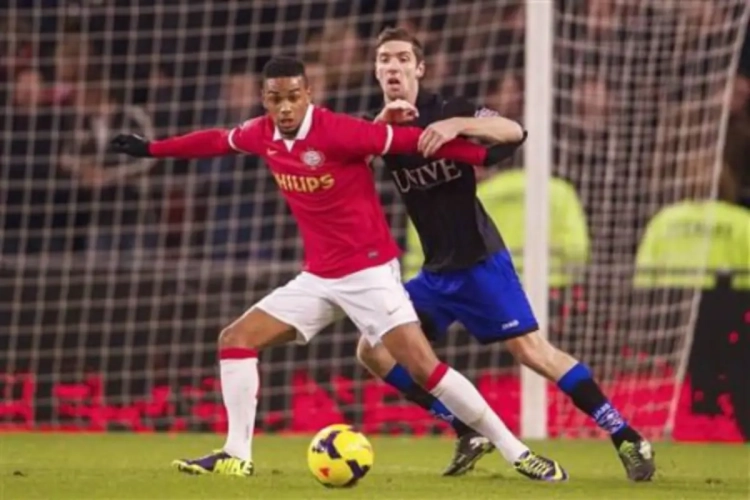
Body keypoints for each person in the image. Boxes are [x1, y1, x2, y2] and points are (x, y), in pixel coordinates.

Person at [110, 56, 567, 481]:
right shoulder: (261, 133)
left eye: (293, 96)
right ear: (264, 99)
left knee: (424, 368)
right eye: (275, 98)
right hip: (319, 277)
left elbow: (414, 142)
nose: (284, 107)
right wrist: (151, 149)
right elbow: (214, 141)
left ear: (308, 94)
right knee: (236, 339)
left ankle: (517, 452)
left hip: (370, 274)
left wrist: (484, 154)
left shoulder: (341, 131)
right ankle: (236, 454)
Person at [357, 27, 655, 482]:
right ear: (376, 71)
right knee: (372, 349)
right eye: (384, 59)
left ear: (420, 68)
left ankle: (626, 436)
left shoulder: (448, 109)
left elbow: (513, 131)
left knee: (533, 352)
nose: (392, 66)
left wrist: (457, 126)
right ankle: (465, 428)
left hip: (480, 262)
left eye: (401, 58)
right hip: (435, 273)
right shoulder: (375, 127)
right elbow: (350, 166)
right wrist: (382, 122)